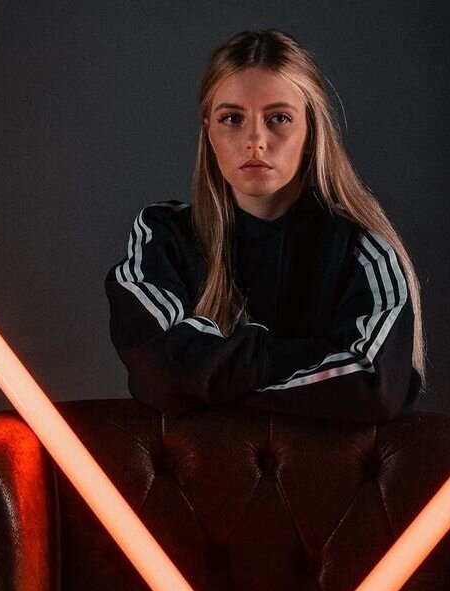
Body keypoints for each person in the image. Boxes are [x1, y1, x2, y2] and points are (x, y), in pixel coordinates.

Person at [105, 28, 428, 423]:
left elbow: (374, 385)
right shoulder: (162, 235)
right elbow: (159, 370)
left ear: (311, 132)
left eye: (279, 118)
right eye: (232, 118)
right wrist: (314, 358)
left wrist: (204, 374)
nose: (255, 140)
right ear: (208, 132)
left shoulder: (363, 251)